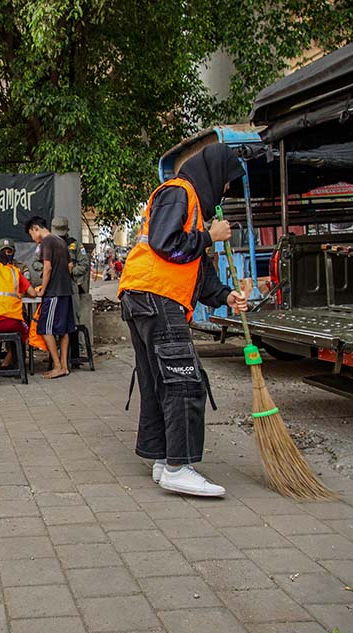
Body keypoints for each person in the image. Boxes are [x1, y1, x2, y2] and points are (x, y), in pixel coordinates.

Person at [118, 143, 248, 497]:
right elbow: (167, 244)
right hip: (157, 297)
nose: (225, 191)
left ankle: (162, 459)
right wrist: (210, 236)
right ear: (214, 174)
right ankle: (179, 465)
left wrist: (225, 297)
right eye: (226, 183)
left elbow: (193, 268)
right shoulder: (179, 192)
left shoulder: (187, 203)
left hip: (144, 295)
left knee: (159, 381)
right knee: (184, 380)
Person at [25, 215, 76, 379]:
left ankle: (57, 365)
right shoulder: (61, 241)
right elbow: (70, 265)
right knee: (64, 330)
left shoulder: (47, 242)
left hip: (53, 292)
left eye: (31, 234)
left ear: (35, 228)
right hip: (66, 291)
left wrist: (43, 290)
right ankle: (64, 367)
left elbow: (47, 268)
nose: (33, 239)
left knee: (45, 328)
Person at [34, 216, 91, 363]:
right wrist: (53, 271)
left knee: (71, 322)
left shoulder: (74, 245)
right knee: (52, 324)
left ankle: (75, 354)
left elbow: (84, 265)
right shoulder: (45, 244)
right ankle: (56, 357)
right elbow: (36, 263)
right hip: (53, 286)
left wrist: (69, 271)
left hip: (70, 287)